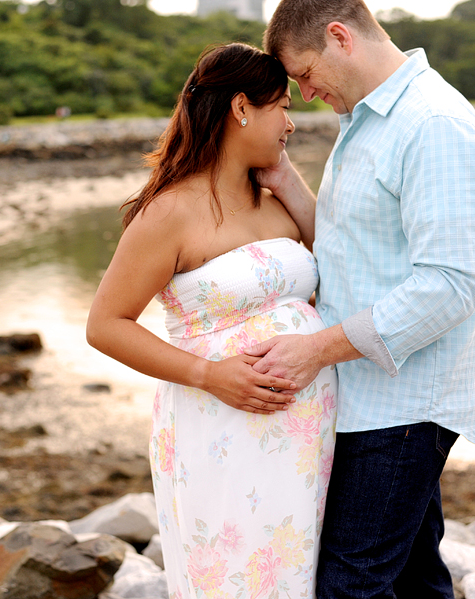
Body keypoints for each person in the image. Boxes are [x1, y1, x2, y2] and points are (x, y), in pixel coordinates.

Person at [249, 2, 475, 598]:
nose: (305, 94)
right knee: (415, 579)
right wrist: (285, 180)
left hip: (405, 406)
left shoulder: (434, 124)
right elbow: (350, 249)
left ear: (340, 37)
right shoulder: (370, 121)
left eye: (305, 73)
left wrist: (315, 351)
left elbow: (450, 283)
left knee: (349, 586)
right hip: (371, 398)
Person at [86, 43, 338, 599]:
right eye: (283, 106)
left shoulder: (276, 202)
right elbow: (106, 324)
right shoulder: (169, 212)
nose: (292, 123)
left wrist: (291, 183)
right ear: (242, 108)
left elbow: (343, 270)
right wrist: (210, 375)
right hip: (219, 424)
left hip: (306, 435)